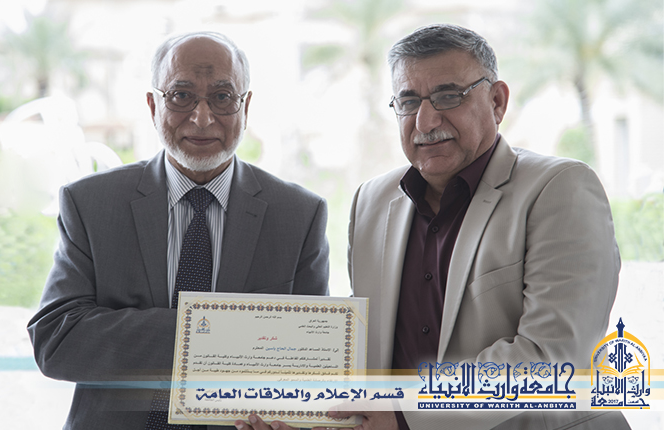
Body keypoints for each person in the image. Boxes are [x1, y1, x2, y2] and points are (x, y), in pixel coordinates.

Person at [238, 24, 629, 430]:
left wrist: (406, 413)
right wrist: (308, 415)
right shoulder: (371, 201)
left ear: (497, 101)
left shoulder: (560, 188)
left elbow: (554, 356)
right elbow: (366, 352)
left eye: (448, 96)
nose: (425, 121)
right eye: (409, 101)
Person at [27, 31, 329, 430]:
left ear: (245, 107)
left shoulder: (299, 215)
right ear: (153, 105)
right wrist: (215, 335)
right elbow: (57, 340)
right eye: (181, 96)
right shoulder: (91, 204)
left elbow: (310, 361)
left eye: (222, 97)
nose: (202, 118)